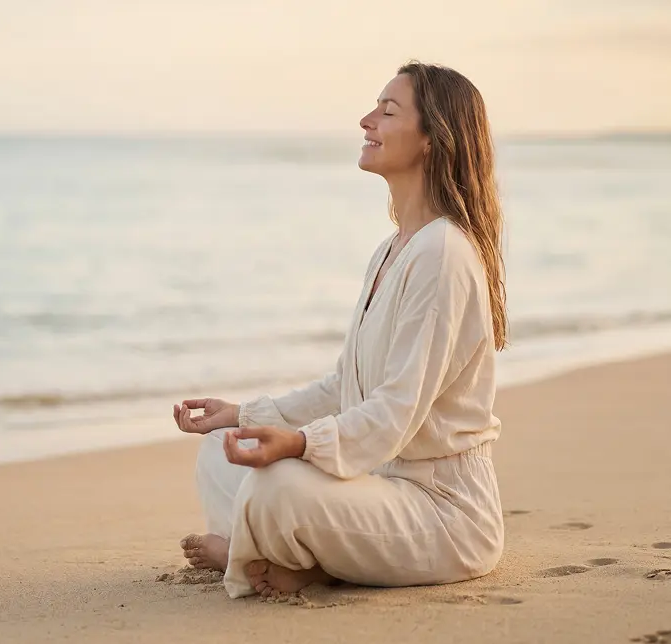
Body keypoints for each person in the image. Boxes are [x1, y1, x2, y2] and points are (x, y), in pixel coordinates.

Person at [172, 61, 509, 599]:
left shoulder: (443, 253)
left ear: (431, 138)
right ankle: (274, 554)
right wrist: (243, 415)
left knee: (276, 484)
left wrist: (301, 444)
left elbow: (395, 412)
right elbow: (343, 390)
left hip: (444, 514)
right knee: (222, 447)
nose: (365, 119)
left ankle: (252, 550)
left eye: (387, 110)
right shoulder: (392, 250)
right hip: (381, 489)